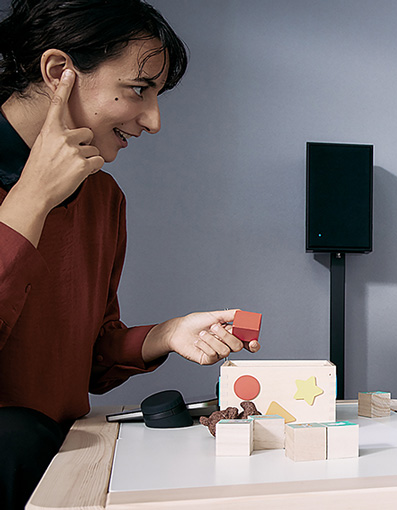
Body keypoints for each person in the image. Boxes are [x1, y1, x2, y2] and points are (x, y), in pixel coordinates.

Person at [0, 1, 259, 507]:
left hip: (60, 461)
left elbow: (89, 360)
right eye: (139, 90)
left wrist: (166, 334)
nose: (154, 121)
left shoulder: (103, 198)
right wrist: (31, 199)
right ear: (59, 73)